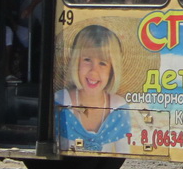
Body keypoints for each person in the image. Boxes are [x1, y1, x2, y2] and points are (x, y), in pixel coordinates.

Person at [55, 25, 132, 153]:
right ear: (76, 62)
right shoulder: (61, 101)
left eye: (103, 63)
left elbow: (125, 153)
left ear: (112, 71)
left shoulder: (118, 107)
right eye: (87, 60)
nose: (93, 70)